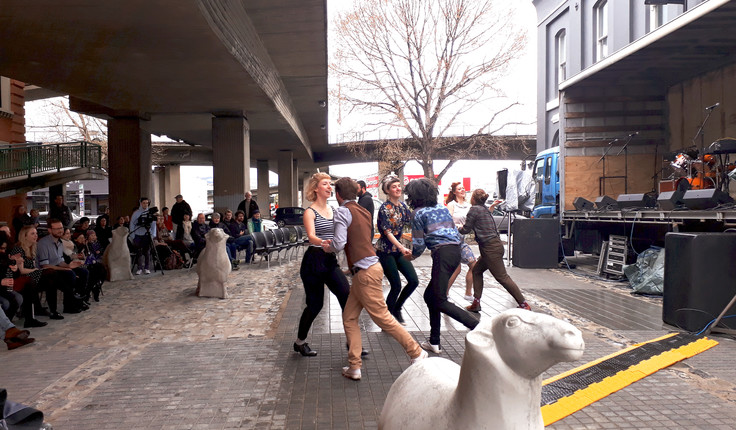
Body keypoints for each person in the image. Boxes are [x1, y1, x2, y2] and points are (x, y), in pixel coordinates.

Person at [326, 177, 426, 380]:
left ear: (338, 194)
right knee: (349, 317)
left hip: (364, 272)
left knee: (383, 317)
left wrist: (327, 246)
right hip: (368, 268)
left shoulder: (343, 211)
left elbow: (339, 243)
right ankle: (354, 367)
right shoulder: (363, 209)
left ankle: (416, 351)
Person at [405, 178, 479, 354]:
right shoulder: (441, 208)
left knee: (438, 299)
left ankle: (478, 326)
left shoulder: (418, 213)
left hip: (442, 254)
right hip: (454, 252)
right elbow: (454, 234)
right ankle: (434, 341)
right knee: (431, 296)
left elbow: (418, 244)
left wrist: (412, 256)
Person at [293, 173, 350, 357]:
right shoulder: (310, 212)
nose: (329, 187)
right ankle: (300, 342)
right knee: (315, 304)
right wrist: (326, 242)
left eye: (330, 184)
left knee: (347, 298)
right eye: (325, 184)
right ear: (316, 188)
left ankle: (353, 343)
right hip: (313, 262)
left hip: (330, 261)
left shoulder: (334, 209)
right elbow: (311, 236)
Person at [459, 189, 530, 313]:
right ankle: (476, 303)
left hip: (490, 249)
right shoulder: (485, 209)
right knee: (476, 270)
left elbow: (466, 229)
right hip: (494, 246)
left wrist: (458, 227)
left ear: (474, 199)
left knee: (502, 277)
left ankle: (524, 304)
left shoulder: (474, 209)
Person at [375, 175, 418, 325]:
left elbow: (412, 222)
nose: (398, 188)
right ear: (387, 190)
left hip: (398, 250)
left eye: (399, 186)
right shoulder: (384, 208)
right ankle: (386, 318)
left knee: (413, 281)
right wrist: (401, 247)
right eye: (394, 187)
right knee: (396, 285)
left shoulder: (402, 206)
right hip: (385, 251)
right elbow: (387, 233)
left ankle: (397, 308)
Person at [35, 220, 88, 316]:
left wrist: (69, 265)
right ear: (50, 230)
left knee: (83, 272)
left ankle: (78, 300)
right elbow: (45, 265)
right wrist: (65, 269)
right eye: (57, 229)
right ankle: (70, 303)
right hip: (47, 271)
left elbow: (60, 261)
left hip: (58, 268)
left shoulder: (60, 243)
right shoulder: (43, 243)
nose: (60, 231)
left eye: (61, 228)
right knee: (69, 274)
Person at [445, 182, 477, 302]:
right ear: (454, 192)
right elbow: (448, 221)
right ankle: (445, 293)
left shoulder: (469, 206)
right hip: (453, 240)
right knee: (457, 269)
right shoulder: (451, 204)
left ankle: (468, 293)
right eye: (459, 188)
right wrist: (458, 225)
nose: (462, 190)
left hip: (462, 240)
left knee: (473, 265)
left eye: (463, 188)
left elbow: (475, 217)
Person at [129, 197, 157, 275]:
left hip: (147, 234)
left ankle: (147, 267)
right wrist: (133, 235)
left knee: (147, 251)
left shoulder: (150, 213)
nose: (145, 204)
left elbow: (153, 225)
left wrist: (153, 234)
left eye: (147, 203)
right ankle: (139, 268)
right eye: (144, 203)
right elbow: (132, 224)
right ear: (141, 203)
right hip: (137, 235)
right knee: (139, 251)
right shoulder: (136, 213)